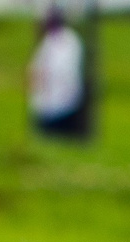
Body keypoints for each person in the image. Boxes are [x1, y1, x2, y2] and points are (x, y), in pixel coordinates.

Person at [27, 6, 88, 141]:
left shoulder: (65, 41)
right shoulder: (56, 41)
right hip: (55, 103)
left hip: (59, 104)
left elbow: (52, 71)